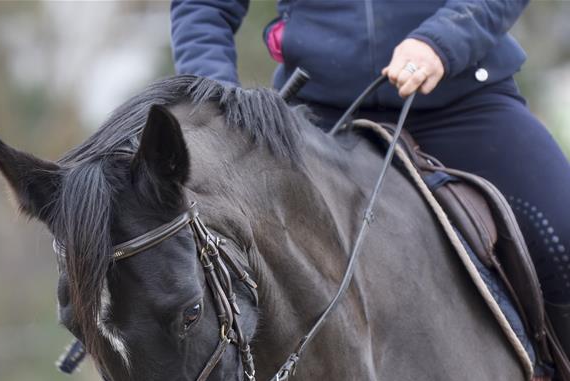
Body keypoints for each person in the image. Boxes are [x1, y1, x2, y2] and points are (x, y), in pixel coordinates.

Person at [170, 0, 570, 348]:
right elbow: (203, 7)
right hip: (317, 112)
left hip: (463, 99)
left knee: (562, 235)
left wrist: (442, 41)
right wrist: (220, 102)